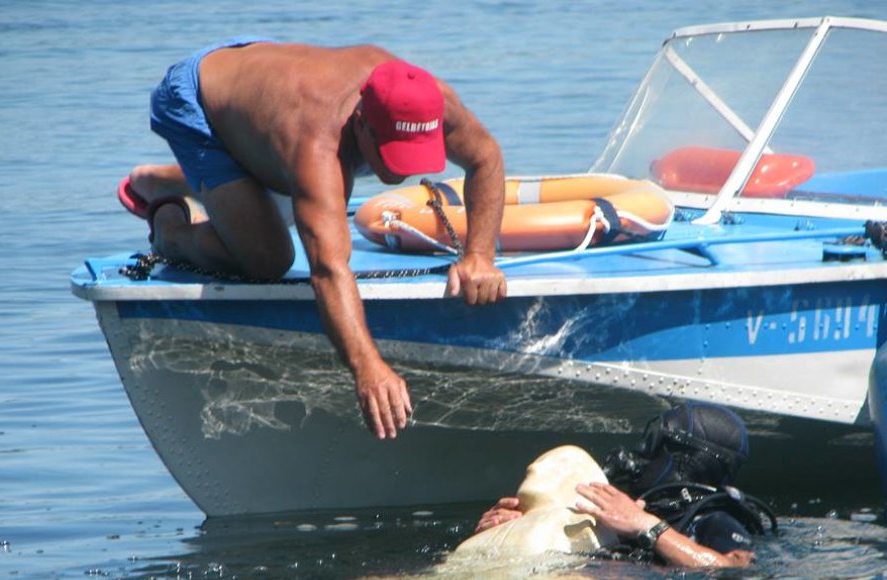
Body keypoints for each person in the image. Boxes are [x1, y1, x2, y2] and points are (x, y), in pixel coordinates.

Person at [121, 38, 508, 440]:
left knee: (281, 181)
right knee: (266, 259)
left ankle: (195, 179)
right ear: (361, 123)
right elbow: (328, 269)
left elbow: (486, 157)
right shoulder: (316, 142)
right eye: (393, 154)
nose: (404, 174)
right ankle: (168, 216)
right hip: (197, 102)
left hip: (259, 97)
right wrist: (367, 365)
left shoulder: (427, 100)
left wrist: (480, 256)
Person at [470, 402, 776, 568]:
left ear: (687, 460)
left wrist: (646, 527)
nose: (640, 455)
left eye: (652, 444)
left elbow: (737, 567)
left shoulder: (713, 519)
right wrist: (508, 531)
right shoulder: (622, 509)